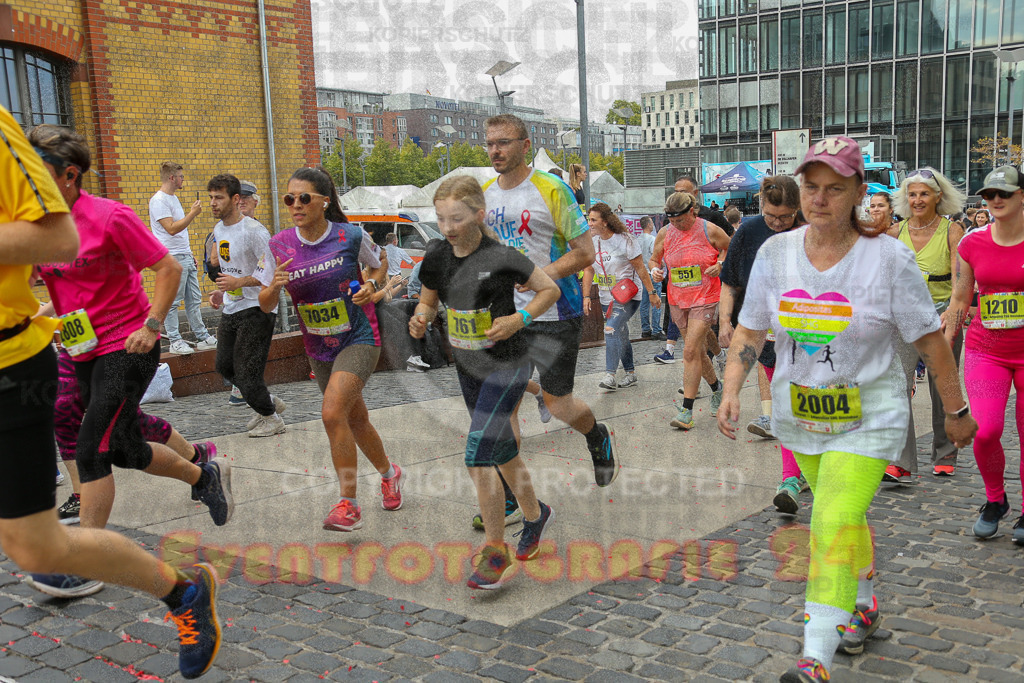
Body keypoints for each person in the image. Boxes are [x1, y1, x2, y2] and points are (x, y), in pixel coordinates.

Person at [716, 136, 977, 683]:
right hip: (801, 416)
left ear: (859, 192)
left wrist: (955, 410)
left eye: (834, 189)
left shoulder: (888, 257)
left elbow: (929, 340)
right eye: (811, 186)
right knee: (845, 514)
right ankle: (862, 604)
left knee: (830, 519)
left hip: (871, 417)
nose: (819, 198)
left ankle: (815, 658)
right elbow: (751, 328)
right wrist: (732, 386)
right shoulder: (776, 254)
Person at [6, 115, 222, 679]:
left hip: (129, 343)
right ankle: (201, 473)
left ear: (69, 176)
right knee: (125, 446)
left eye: (35, 176)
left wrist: (152, 324)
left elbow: (167, 268)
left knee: (94, 448)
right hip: (80, 348)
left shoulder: (110, 216)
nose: (25, 186)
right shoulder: (33, 223)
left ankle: (85, 556)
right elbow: (52, 288)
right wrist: (42, 315)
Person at [411, 175, 560, 589]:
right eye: (441, 219)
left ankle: (496, 552)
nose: (447, 227)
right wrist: (421, 318)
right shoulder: (436, 255)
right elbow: (427, 299)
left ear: (479, 215)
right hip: (469, 367)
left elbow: (549, 290)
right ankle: (536, 515)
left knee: (478, 454)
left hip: (508, 366)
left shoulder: (502, 256)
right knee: (503, 452)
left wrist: (519, 319)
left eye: (456, 219)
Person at [258, 167, 402, 531]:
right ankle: (390, 473)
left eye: (304, 198)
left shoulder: (350, 235)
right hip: (318, 345)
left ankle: (348, 504)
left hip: (359, 336)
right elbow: (263, 303)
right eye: (289, 198)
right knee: (355, 419)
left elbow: (379, 266)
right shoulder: (278, 245)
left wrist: (371, 286)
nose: (296, 205)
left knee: (332, 412)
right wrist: (274, 287)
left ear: (324, 201)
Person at [481, 113, 618, 494]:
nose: (495, 150)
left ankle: (597, 435)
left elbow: (585, 253)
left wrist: (539, 276)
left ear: (525, 146)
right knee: (504, 404)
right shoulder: (486, 194)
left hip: (556, 310)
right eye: (490, 143)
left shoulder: (552, 189)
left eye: (503, 142)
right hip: (505, 313)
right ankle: (510, 494)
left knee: (559, 404)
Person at [718, 175, 808, 513]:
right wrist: (725, 321)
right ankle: (790, 478)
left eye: (786, 217)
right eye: (771, 216)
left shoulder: (814, 230)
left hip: (814, 338)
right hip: (765, 333)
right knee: (785, 406)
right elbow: (730, 281)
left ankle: (803, 471)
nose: (778, 223)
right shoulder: (750, 232)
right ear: (760, 205)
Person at [944, 165, 1024, 542]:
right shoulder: (972, 242)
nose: (995, 200)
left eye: (1004, 193)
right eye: (989, 194)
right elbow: (961, 297)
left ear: (1021, 196)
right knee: (986, 430)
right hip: (986, 350)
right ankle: (996, 499)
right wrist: (946, 338)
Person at [887, 168, 966, 480]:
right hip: (902, 320)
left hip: (940, 319)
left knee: (942, 388)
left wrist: (953, 319)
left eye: (924, 194)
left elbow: (961, 282)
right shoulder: (894, 233)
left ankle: (945, 452)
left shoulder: (952, 231)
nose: (917, 200)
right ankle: (900, 461)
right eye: (912, 194)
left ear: (938, 197)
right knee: (897, 387)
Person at [208, 174, 286, 438]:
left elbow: (271, 273)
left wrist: (239, 282)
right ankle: (266, 402)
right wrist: (222, 291)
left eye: (219, 197)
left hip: (258, 307)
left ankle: (272, 419)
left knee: (247, 371)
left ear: (235, 199)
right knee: (224, 367)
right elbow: (232, 270)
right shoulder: (219, 230)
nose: (213, 203)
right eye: (211, 197)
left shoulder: (254, 231)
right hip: (232, 306)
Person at [650, 192, 730, 430]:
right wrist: (655, 271)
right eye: (672, 220)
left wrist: (720, 264)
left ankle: (686, 411)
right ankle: (717, 388)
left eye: (681, 220)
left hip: (705, 296)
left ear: (692, 212)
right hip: (678, 299)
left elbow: (730, 248)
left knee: (690, 350)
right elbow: (654, 259)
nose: (676, 225)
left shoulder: (709, 229)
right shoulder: (665, 233)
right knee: (697, 354)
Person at [653, 175, 733, 366]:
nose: (678, 195)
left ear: (694, 194)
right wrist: (656, 269)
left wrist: (720, 263)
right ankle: (716, 355)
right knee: (693, 331)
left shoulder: (711, 217)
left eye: (683, 191)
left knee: (692, 346)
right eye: (675, 191)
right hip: (678, 287)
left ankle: (694, 367)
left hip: (705, 289)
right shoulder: (670, 222)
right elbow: (656, 255)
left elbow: (730, 242)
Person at [582, 203, 660, 390]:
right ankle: (631, 373)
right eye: (588, 220)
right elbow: (589, 269)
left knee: (610, 329)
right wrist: (586, 296)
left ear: (605, 222)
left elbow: (640, 268)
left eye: (593, 220)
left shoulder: (626, 239)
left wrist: (652, 293)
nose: (589, 224)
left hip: (628, 296)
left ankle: (610, 375)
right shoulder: (592, 242)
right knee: (621, 333)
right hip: (606, 297)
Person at [149, 161, 217, 355]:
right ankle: (175, 340)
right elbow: (171, 229)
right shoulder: (159, 200)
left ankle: (202, 336)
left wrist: (189, 253)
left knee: (194, 299)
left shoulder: (173, 198)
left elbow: (180, 234)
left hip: (184, 255)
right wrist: (193, 214)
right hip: (171, 258)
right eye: (180, 176)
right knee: (173, 301)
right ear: (172, 178)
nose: (183, 179)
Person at [226, 179, 265, 407]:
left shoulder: (257, 231)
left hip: (254, 298)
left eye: (246, 198)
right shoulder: (226, 229)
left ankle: (247, 392)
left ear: (255, 202)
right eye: (238, 198)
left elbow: (267, 269)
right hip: (233, 298)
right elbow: (217, 261)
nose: (241, 202)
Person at [637, 216, 663, 339]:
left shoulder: (637, 240)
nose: (653, 225)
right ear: (648, 225)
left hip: (642, 274)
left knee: (644, 303)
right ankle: (656, 329)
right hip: (652, 273)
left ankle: (645, 329)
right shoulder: (652, 239)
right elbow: (655, 257)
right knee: (656, 301)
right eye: (651, 223)